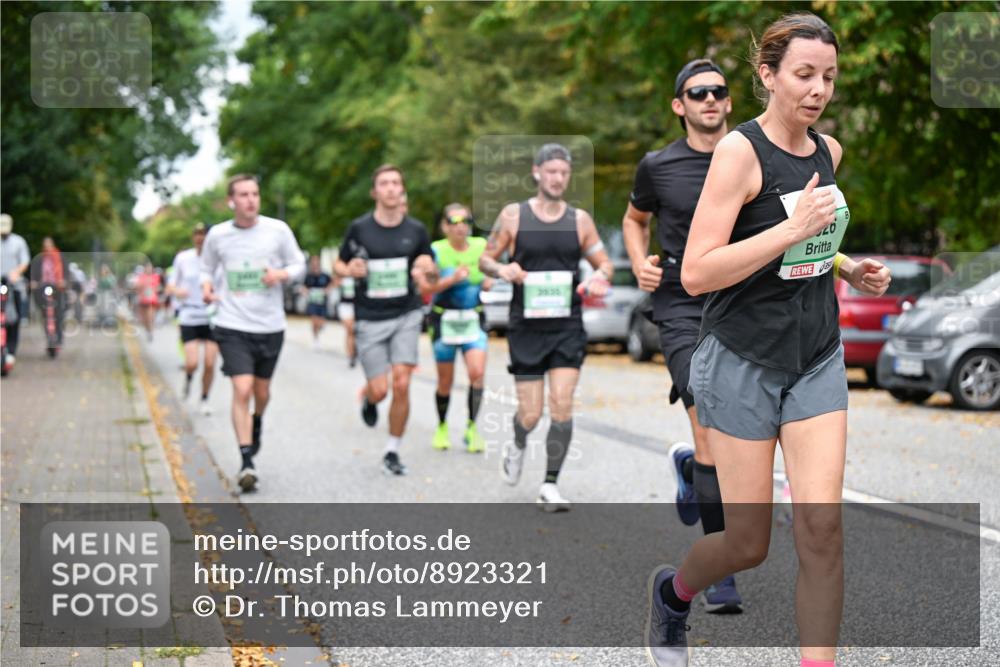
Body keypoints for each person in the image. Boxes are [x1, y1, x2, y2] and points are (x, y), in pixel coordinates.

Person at [643, 14, 892, 667]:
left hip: (815, 356)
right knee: (748, 542)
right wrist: (789, 234)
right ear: (767, 75)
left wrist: (848, 264)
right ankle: (673, 594)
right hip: (742, 360)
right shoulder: (738, 153)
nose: (818, 90)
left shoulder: (829, 151)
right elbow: (697, 270)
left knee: (821, 528)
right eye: (804, 75)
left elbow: (809, 235)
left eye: (829, 77)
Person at [624, 58, 744, 613]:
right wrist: (638, 264)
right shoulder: (658, 166)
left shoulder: (748, 155)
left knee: (733, 432)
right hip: (678, 304)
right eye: (698, 93)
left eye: (718, 91)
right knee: (710, 430)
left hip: (741, 302)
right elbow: (634, 219)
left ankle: (691, 473)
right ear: (680, 106)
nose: (710, 100)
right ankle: (720, 572)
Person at [479, 143, 613, 512]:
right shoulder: (513, 216)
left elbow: (604, 264)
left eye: (564, 173)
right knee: (531, 413)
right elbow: (485, 260)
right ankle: (518, 440)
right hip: (526, 326)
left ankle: (550, 484)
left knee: (562, 405)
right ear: (537, 172)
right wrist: (503, 269)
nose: (557, 178)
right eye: (551, 171)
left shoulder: (580, 220)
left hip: (567, 325)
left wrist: (599, 277)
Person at [200, 174, 306, 492]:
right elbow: (206, 267)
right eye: (243, 194)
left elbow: (298, 262)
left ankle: (256, 422)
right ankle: (247, 460)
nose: (250, 200)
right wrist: (206, 287)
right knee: (242, 388)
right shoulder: (218, 235)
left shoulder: (277, 230)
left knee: (261, 393)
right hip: (232, 324)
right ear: (231, 201)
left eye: (255, 194)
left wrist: (281, 274)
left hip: (270, 325)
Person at [334, 165, 437, 476]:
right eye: (385, 183)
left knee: (402, 382)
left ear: (401, 190)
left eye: (396, 183)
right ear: (374, 192)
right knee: (381, 390)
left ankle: (392, 450)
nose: (391, 188)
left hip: (405, 313)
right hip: (370, 318)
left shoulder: (416, 231)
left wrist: (426, 269)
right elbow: (338, 264)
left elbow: (430, 267)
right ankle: (369, 396)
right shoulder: (359, 228)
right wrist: (348, 269)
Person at [422, 203, 491, 453]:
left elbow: (490, 271)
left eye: (467, 221)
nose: (461, 226)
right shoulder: (436, 251)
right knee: (445, 381)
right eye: (455, 221)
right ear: (444, 226)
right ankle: (442, 426)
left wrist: (489, 279)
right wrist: (451, 279)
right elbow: (426, 288)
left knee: (477, 373)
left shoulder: (481, 247)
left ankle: (472, 428)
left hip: (473, 318)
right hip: (444, 321)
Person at [168, 223, 219, 415]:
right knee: (192, 362)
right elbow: (170, 285)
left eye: (204, 234)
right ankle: (189, 379)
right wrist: (178, 291)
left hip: (211, 315)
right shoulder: (183, 258)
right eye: (197, 234)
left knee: (209, 363)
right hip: (189, 314)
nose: (200, 238)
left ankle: (204, 398)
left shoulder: (217, 260)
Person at [0, 213, 30, 367]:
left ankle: (11, 351)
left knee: (14, 319)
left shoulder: (18, 242)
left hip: (14, 286)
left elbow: (25, 261)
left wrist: (16, 273)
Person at [32, 236, 67, 348]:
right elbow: (35, 273)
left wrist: (63, 281)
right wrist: (34, 282)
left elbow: (66, 271)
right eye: (45, 245)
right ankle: (49, 336)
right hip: (44, 287)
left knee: (59, 313)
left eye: (49, 244)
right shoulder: (39, 259)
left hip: (57, 287)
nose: (47, 247)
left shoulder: (60, 257)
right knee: (45, 313)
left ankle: (59, 337)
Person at [301, 255, 333, 350]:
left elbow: (332, 283)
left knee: (321, 322)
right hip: (313, 301)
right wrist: (305, 291)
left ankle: (321, 327)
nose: (315, 264)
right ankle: (316, 339)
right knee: (314, 321)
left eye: (316, 262)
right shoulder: (309, 276)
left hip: (322, 302)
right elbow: (304, 287)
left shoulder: (325, 275)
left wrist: (327, 290)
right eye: (313, 262)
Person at [335, 272, 357, 367]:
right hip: (344, 306)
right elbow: (334, 283)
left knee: (355, 331)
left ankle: (355, 351)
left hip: (356, 305)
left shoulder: (357, 275)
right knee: (349, 330)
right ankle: (350, 355)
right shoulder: (341, 275)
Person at [134, 261, 160, 341]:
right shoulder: (141, 277)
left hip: (151, 300)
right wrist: (142, 286)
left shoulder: (155, 276)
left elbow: (157, 287)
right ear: (145, 269)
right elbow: (137, 287)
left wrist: (154, 289)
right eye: (148, 267)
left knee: (150, 317)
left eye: (150, 267)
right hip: (143, 300)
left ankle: (150, 331)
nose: (149, 269)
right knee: (144, 319)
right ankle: (147, 330)